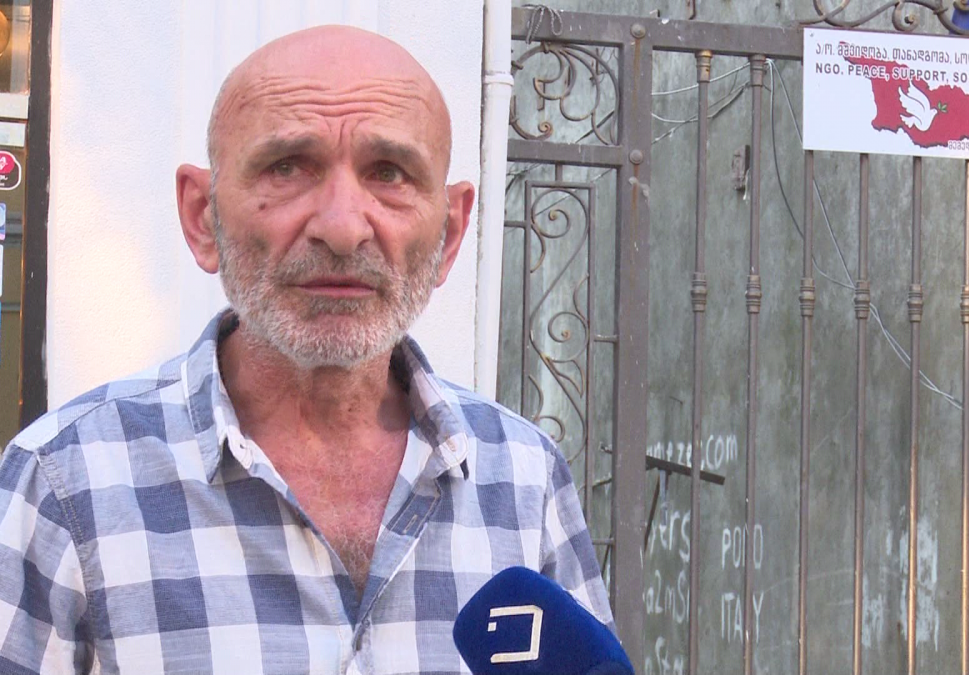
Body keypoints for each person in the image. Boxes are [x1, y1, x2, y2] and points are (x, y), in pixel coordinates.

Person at [0, 26, 612, 674]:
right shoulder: (64, 485)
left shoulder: (525, 478)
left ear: (451, 233)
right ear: (202, 216)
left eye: (390, 173)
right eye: (287, 167)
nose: (343, 228)